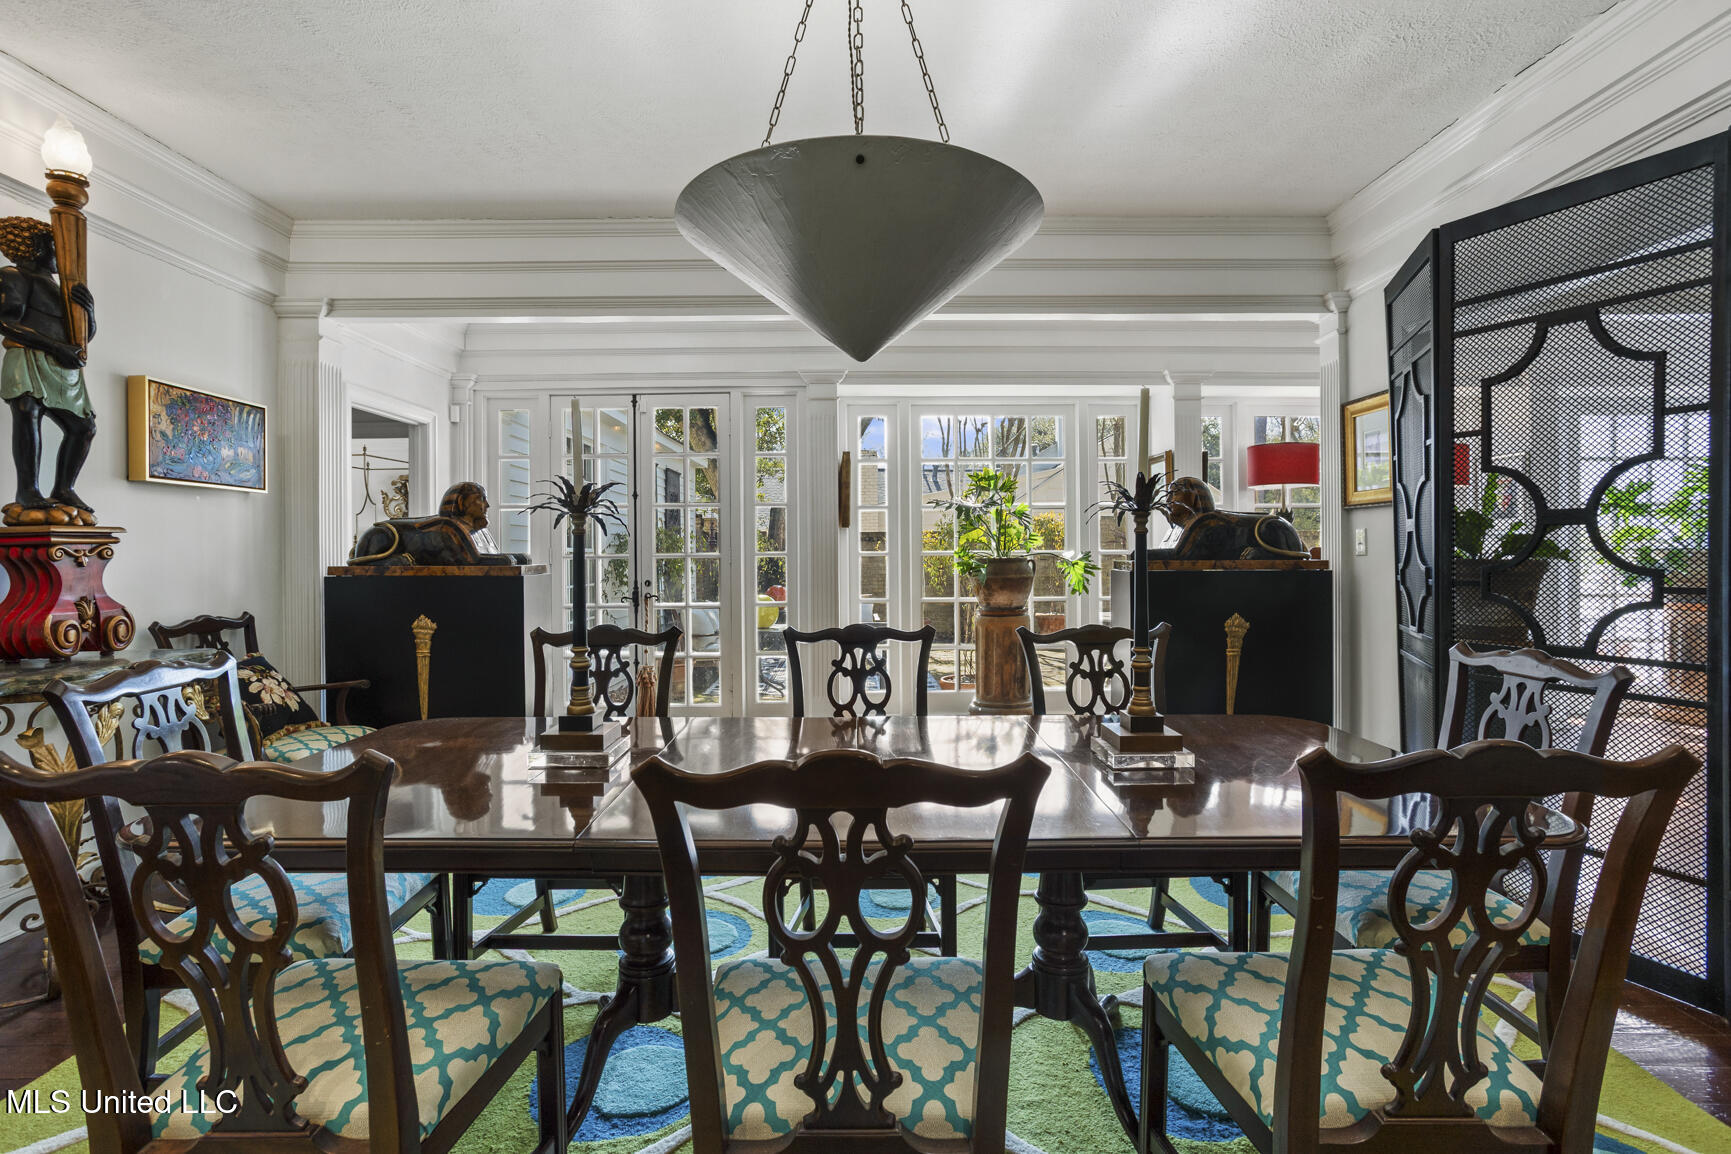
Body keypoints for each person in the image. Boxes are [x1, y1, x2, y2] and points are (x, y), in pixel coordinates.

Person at [0, 216, 96, 524]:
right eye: (55, 246)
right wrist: (55, 347)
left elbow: (81, 335)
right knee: (29, 414)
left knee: (84, 427)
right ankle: (28, 490)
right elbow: (6, 322)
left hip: (63, 365)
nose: (60, 254)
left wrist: (89, 311)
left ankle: (64, 488)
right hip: (29, 356)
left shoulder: (61, 286)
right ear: (38, 247)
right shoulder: (13, 275)